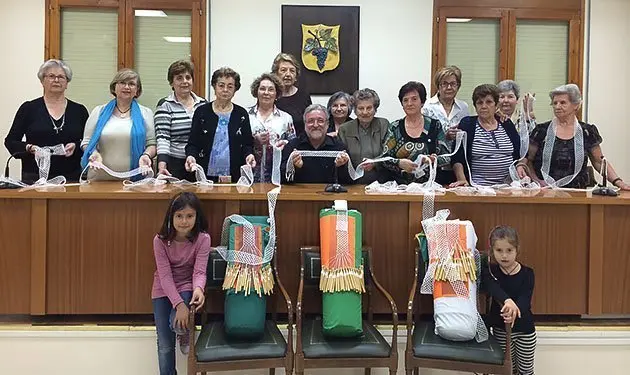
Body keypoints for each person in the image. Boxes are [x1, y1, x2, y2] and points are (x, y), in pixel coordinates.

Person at [517, 84, 630, 190]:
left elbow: (599, 162)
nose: (557, 106)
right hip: (544, 191)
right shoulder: (541, 131)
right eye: (555, 103)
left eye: (562, 103)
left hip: (577, 194)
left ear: (576, 105)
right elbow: (528, 160)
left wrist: (618, 182)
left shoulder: (587, 131)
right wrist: (537, 181)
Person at [152, 192, 210, 375]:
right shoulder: (159, 241)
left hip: (187, 285)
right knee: (164, 345)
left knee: (177, 323)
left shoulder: (203, 239)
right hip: (162, 288)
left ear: (196, 217)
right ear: (171, 216)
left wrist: (199, 289)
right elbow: (165, 277)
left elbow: (199, 271)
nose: (184, 221)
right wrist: (179, 305)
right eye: (179, 216)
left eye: (189, 216)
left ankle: (185, 332)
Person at [4, 59, 88, 183]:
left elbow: (87, 142)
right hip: (34, 178)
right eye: (51, 76)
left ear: (67, 83)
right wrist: (29, 148)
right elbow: (10, 141)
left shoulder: (79, 110)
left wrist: (76, 145)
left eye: (61, 77)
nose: (56, 80)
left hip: (71, 178)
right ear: (42, 81)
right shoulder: (28, 108)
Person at [81, 69, 156, 180]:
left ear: (137, 90)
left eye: (131, 84)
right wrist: (94, 153)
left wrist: (146, 155)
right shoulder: (98, 111)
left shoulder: (146, 113)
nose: (126, 87)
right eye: (122, 83)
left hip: (133, 179)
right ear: (114, 87)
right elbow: (86, 142)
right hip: (99, 177)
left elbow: (152, 144)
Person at [185, 67, 256, 183]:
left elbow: (248, 143)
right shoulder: (201, 112)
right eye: (221, 85)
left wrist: (249, 155)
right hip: (204, 174)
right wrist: (191, 156)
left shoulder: (241, 114)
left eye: (230, 86)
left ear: (235, 89)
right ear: (214, 86)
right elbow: (193, 143)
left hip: (234, 175)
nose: (225, 90)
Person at [483, 226, 536, 375]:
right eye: (499, 250)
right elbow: (493, 287)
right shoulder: (491, 271)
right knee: (506, 370)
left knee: (525, 371)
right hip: (501, 330)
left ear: (517, 249)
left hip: (525, 330)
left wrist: (514, 307)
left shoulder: (528, 273)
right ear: (492, 250)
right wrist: (507, 300)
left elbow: (525, 299)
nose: (504, 256)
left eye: (509, 250)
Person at [450, 84, 521, 187]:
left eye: (489, 102)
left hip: (509, 186)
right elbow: (457, 157)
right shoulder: (467, 124)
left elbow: (519, 154)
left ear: (496, 105)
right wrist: (462, 179)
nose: (484, 106)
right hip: (478, 187)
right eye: (479, 102)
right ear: (475, 106)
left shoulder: (506, 124)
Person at [379, 82, 449, 184]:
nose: (409, 103)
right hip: (399, 187)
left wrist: (434, 160)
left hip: (430, 187)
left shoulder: (435, 125)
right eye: (405, 100)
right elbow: (384, 158)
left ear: (422, 102)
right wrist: (399, 163)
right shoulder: (395, 127)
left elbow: (447, 157)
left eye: (414, 99)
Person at [155, 60, 207, 181]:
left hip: (199, 163)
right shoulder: (165, 105)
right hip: (174, 164)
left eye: (188, 77)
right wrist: (162, 164)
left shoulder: (203, 104)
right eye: (179, 78)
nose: (184, 81)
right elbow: (163, 138)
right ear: (172, 83)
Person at [422, 66, 470, 185]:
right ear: (438, 86)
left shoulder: (464, 107)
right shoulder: (427, 107)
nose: (449, 87)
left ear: (458, 86)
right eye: (444, 84)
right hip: (434, 165)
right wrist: (445, 136)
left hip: (458, 165)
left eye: (453, 84)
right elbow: (422, 136)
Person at [281, 104, 351, 184]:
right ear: (305, 124)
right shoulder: (292, 146)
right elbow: (282, 180)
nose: (315, 125)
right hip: (300, 195)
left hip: (330, 195)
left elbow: (349, 181)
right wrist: (295, 167)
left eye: (320, 121)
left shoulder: (339, 148)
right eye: (311, 121)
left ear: (327, 124)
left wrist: (341, 167)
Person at [248, 72, 295, 183]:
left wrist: (285, 144)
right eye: (262, 89)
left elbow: (294, 145)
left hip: (277, 175)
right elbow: (239, 143)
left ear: (276, 93)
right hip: (250, 173)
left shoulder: (286, 118)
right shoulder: (245, 115)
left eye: (271, 89)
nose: (266, 93)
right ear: (256, 92)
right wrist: (254, 140)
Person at [337, 88, 389, 184]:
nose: (365, 112)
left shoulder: (383, 125)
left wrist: (375, 163)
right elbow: (341, 156)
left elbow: (389, 154)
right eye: (361, 108)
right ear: (355, 111)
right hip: (352, 184)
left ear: (375, 109)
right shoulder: (345, 129)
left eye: (369, 108)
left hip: (381, 183)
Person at [271, 53, 312, 136]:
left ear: (296, 76)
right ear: (275, 74)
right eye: (283, 70)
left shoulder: (304, 96)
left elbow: (309, 123)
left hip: (299, 145)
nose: (288, 74)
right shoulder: (270, 95)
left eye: (292, 71)